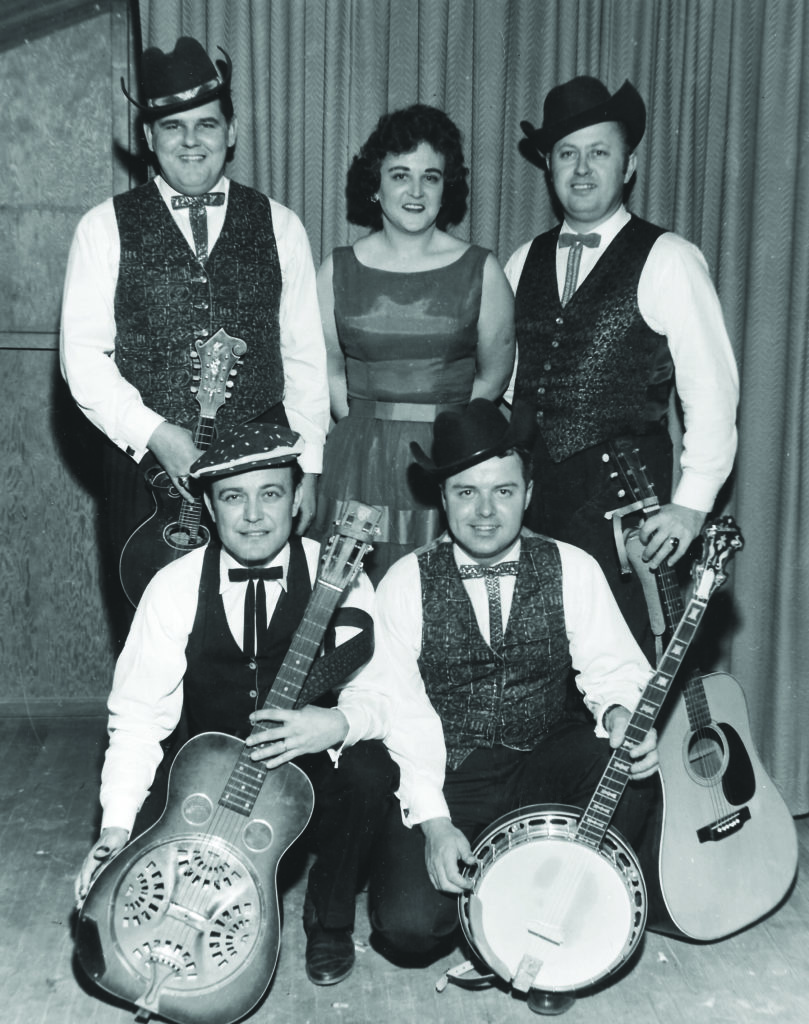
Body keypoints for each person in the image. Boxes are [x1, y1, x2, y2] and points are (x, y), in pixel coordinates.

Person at [357, 399, 658, 1016]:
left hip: (539, 761)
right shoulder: (405, 581)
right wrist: (436, 824)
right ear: (442, 499)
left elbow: (613, 668)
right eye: (466, 492)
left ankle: (565, 924)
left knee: (625, 768)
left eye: (503, 490)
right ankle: (493, 895)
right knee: (410, 927)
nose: (485, 511)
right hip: (446, 772)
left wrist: (623, 714)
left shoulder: (573, 567)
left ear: (528, 492)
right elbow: (394, 704)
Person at [74, 420, 397, 987]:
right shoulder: (173, 585)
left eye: (270, 493)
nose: (252, 515)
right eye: (233, 497)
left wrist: (338, 722)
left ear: (298, 498)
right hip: (200, 780)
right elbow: (138, 716)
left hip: (309, 778)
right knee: (130, 917)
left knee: (372, 772)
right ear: (208, 504)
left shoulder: (338, 573)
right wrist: (116, 826)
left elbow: (382, 693)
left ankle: (329, 917)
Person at [60, 36, 328, 635]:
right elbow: (82, 358)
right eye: (171, 126)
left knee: (255, 628)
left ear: (231, 131)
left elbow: (306, 358)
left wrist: (307, 465)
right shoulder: (103, 228)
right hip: (147, 474)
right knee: (151, 628)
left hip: (259, 472)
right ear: (148, 138)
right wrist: (157, 434)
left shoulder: (281, 226)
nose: (190, 141)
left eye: (206, 123)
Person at [505, 76, 739, 653]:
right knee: (542, 669)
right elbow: (511, 390)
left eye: (599, 152)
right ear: (550, 167)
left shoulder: (670, 259)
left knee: (630, 664)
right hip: (540, 500)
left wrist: (690, 508)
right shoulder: (520, 261)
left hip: (628, 505)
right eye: (567, 153)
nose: (582, 169)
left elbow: (711, 392)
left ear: (629, 166)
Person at [312, 103, 515, 583]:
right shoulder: (335, 269)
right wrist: (370, 427)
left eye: (431, 177)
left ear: (448, 188)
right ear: (375, 185)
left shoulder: (482, 269)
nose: (416, 191)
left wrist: (445, 434)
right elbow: (328, 372)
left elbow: (494, 375)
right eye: (400, 175)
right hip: (357, 457)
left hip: (446, 460)